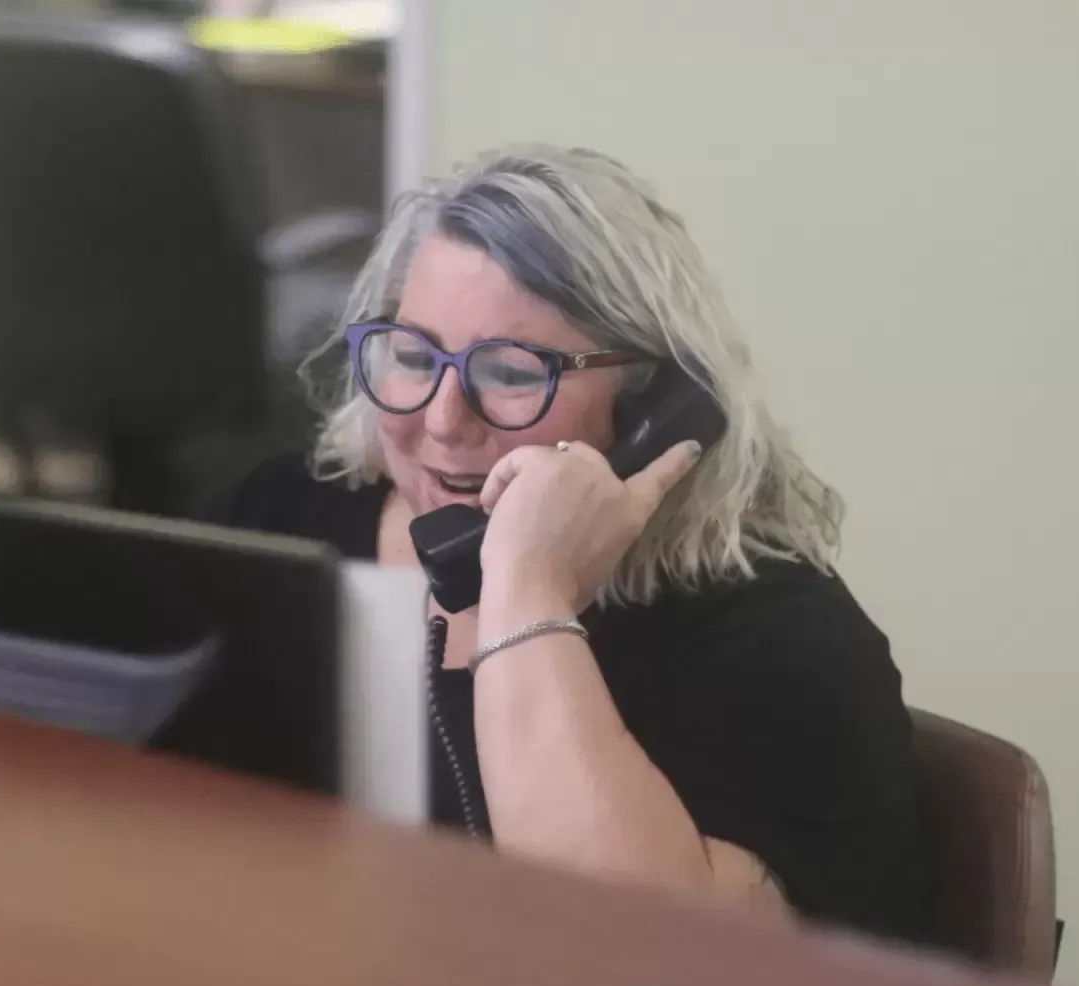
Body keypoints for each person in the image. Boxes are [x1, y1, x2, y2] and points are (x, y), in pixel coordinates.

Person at [205, 144, 927, 943]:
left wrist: (526, 586)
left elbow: (643, 955)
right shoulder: (280, 517)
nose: (443, 419)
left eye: (511, 374)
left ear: (651, 400)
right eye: (412, 358)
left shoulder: (777, 638)